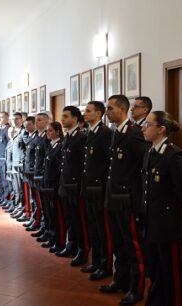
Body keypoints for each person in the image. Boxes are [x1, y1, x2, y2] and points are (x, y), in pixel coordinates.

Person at [100, 94, 148, 306]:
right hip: (113, 196)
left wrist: (136, 197)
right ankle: (120, 280)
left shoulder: (134, 134)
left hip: (127, 199)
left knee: (133, 246)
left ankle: (136, 288)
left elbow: (143, 167)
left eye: (110, 108)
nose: (107, 112)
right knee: (118, 243)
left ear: (122, 109)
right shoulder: (115, 133)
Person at [141, 111, 182, 306]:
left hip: (167, 225)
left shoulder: (174, 155)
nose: (144, 128)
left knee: (171, 270)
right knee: (155, 268)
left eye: (148, 124)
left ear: (161, 129)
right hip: (151, 222)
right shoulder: (150, 152)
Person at [80, 101, 113, 281]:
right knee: (92, 226)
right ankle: (97, 260)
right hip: (89, 186)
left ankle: (105, 265)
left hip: (99, 188)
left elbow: (107, 163)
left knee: (102, 228)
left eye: (88, 111)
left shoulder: (105, 133)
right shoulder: (90, 133)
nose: (84, 113)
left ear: (99, 114)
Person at [57, 106, 88, 266]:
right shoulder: (67, 137)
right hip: (65, 185)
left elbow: (83, 165)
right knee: (69, 219)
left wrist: (78, 186)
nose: (62, 119)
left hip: (74, 186)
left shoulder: (81, 138)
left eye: (66, 116)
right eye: (62, 116)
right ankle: (71, 245)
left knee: (78, 220)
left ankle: (82, 250)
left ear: (75, 119)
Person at [41, 121, 65, 252]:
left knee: (57, 216)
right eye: (47, 131)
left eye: (50, 131)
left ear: (57, 132)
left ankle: (60, 242)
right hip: (47, 184)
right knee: (50, 214)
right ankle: (52, 237)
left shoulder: (60, 146)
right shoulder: (51, 145)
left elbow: (59, 169)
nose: (47, 133)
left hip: (55, 186)